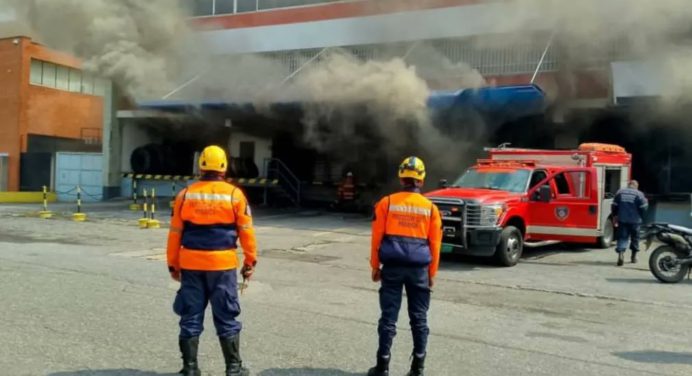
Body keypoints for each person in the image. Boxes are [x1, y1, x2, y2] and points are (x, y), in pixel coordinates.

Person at [167, 145, 257, 376]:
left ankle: (189, 369)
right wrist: (250, 261)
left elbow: (175, 233)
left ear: (201, 166)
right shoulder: (234, 195)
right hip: (222, 266)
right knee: (226, 315)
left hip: (191, 265)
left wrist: (173, 264)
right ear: (224, 166)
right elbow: (246, 231)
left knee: (191, 315)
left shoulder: (185, 194)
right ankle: (234, 369)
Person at [368, 156, 443, 376]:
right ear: (421, 178)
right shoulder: (430, 208)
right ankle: (417, 368)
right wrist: (432, 273)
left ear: (401, 177)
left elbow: (376, 238)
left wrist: (375, 266)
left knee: (388, 317)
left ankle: (382, 367)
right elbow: (435, 245)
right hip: (419, 270)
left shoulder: (387, 203)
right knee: (419, 318)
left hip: (391, 268)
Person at [611, 180, 648, 266]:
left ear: (628, 185)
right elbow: (644, 207)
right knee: (635, 238)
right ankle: (633, 257)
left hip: (622, 219)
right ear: (636, 186)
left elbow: (614, 205)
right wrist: (642, 216)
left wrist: (615, 216)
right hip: (635, 221)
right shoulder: (639, 194)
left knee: (622, 237)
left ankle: (621, 253)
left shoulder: (620, 193)